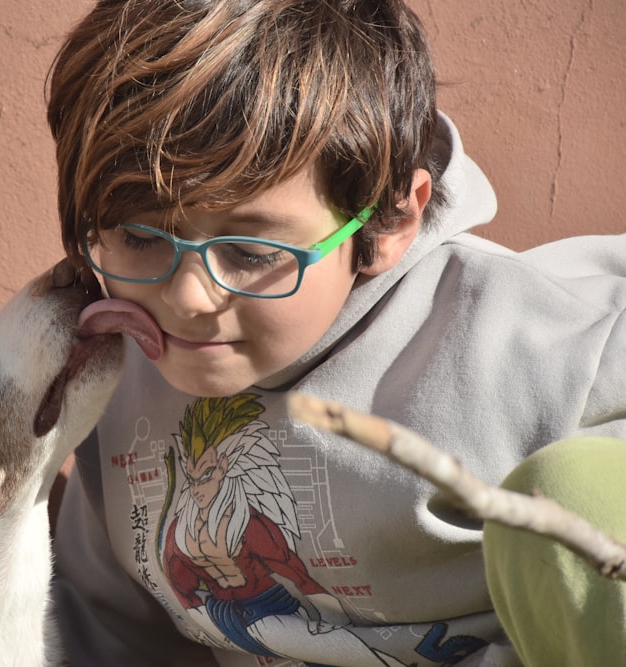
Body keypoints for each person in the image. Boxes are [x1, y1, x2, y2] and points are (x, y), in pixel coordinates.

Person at [44, 0, 626, 664]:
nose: (187, 298)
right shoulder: (120, 370)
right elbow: (107, 632)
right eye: (141, 236)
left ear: (387, 222)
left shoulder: (537, 353)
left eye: (254, 252)